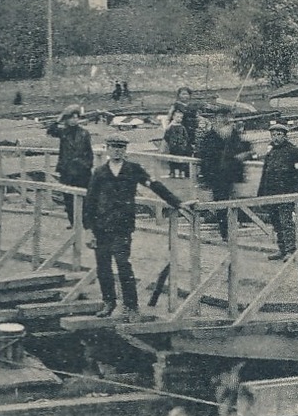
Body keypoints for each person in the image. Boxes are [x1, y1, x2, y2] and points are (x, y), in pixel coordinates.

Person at [85, 136, 194, 319]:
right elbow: (90, 202)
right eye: (114, 147)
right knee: (103, 266)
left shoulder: (133, 169)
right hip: (101, 226)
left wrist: (177, 202)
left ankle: (131, 306)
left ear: (125, 150)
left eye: (121, 147)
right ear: (107, 149)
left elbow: (154, 185)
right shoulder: (99, 172)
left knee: (123, 264)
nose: (117, 151)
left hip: (122, 226)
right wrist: (89, 229)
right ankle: (109, 302)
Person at [256, 122, 298, 260]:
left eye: (279, 134)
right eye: (273, 135)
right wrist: (261, 192)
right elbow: (264, 173)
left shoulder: (293, 151)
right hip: (272, 192)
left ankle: (291, 250)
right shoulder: (271, 152)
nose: (276, 138)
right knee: (276, 222)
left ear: (285, 136)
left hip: (286, 192)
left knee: (286, 222)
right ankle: (282, 249)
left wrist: (296, 191)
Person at [196, 104, 250, 238]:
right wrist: (206, 175)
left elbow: (243, 148)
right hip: (217, 175)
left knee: (234, 202)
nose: (223, 119)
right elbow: (205, 156)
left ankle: (232, 229)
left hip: (232, 174)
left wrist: (243, 155)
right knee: (221, 204)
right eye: (220, 117)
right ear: (216, 118)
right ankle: (225, 233)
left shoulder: (233, 134)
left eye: (225, 116)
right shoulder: (211, 136)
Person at [45, 105, 94, 225]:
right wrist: (59, 119)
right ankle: (73, 223)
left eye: (76, 118)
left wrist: (87, 165)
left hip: (82, 171)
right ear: (67, 120)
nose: (74, 120)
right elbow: (50, 131)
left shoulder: (84, 133)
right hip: (67, 170)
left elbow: (89, 152)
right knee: (68, 198)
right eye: (71, 118)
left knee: (84, 197)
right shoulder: (63, 132)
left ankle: (85, 223)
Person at [163, 109, 193, 178]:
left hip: (181, 146)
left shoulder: (182, 127)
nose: (179, 119)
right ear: (173, 117)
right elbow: (166, 136)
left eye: (181, 118)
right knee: (172, 159)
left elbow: (186, 136)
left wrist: (184, 143)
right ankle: (172, 172)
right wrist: (170, 143)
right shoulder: (170, 127)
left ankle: (180, 172)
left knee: (181, 159)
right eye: (177, 117)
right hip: (173, 146)